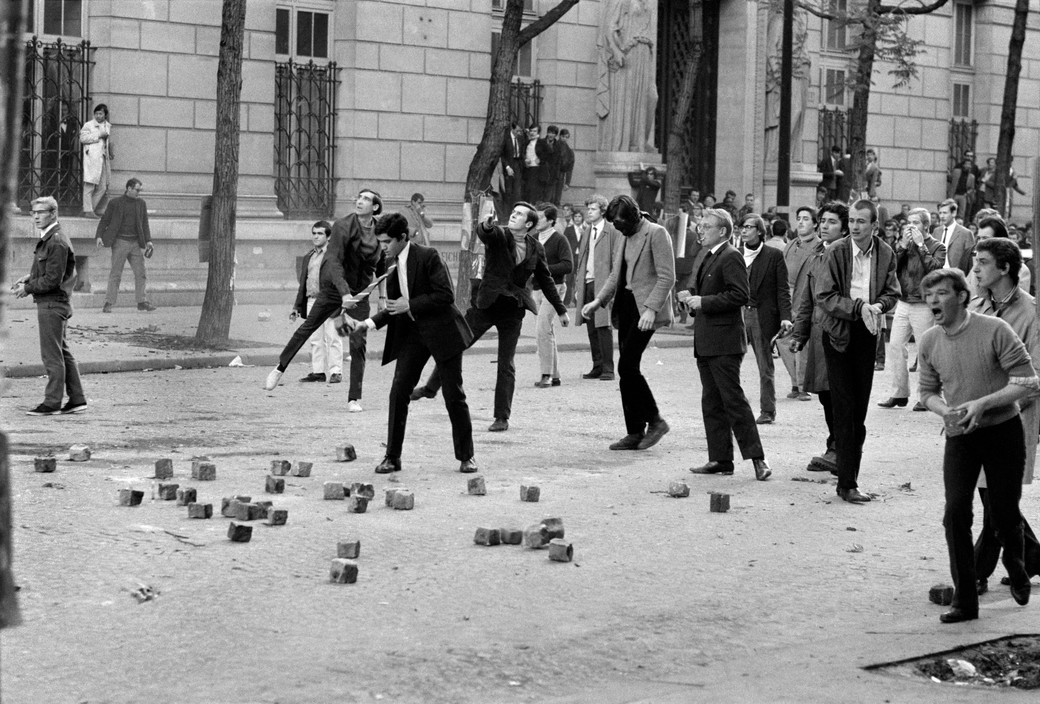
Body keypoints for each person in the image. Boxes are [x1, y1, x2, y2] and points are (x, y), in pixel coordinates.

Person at [918, 268, 1035, 623]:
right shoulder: (929, 340)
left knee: (1003, 512)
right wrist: (945, 411)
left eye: (940, 293)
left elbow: (1028, 382)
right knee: (955, 514)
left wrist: (983, 404)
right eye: (929, 295)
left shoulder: (995, 330)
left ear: (962, 296)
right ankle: (965, 601)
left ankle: (1016, 563)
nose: (933, 301)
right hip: (960, 435)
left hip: (1003, 430)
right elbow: (926, 391)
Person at [411, 201, 570, 432]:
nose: (513, 216)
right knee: (455, 343)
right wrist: (486, 224)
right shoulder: (499, 235)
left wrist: (562, 309)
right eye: (512, 212)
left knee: (506, 364)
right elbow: (486, 233)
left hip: (513, 310)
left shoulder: (536, 248)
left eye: (519, 214)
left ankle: (502, 417)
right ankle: (430, 388)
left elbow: (545, 279)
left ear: (529, 223)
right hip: (486, 305)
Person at [343, 213, 477, 475]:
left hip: (443, 332)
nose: (383, 248)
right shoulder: (390, 263)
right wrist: (367, 324)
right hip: (413, 335)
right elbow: (393, 307)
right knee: (398, 392)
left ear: (402, 238)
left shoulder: (428, 256)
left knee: (454, 395)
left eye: (387, 242)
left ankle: (466, 457)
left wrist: (411, 304)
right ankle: (392, 457)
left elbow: (445, 295)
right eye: (380, 242)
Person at [264, 189, 383, 414]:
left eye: (366, 199)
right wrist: (344, 293)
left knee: (358, 343)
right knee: (308, 328)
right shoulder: (342, 225)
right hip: (333, 289)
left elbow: (382, 264)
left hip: (360, 293)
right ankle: (280, 368)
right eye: (358, 197)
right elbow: (334, 261)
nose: (359, 201)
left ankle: (354, 398)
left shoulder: (380, 230)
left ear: (375, 207)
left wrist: (383, 297)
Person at [968, 237, 1040, 595]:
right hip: (976, 418)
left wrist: (992, 404)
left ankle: (972, 576)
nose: (976, 268)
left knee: (995, 501)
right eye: (975, 261)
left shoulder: (1031, 314)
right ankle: (1034, 557)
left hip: (1011, 419)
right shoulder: (979, 305)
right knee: (996, 500)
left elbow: (1033, 379)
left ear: (1005, 268)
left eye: (982, 262)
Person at [816, 199, 900, 503]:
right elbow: (824, 295)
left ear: (874, 225)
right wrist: (858, 308)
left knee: (859, 410)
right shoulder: (836, 251)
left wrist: (878, 306)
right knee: (844, 406)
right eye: (851, 220)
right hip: (838, 333)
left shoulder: (886, 253)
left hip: (868, 333)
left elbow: (893, 292)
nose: (854, 226)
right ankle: (847, 483)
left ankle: (849, 475)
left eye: (861, 221)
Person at [683, 208, 772, 480]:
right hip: (707, 340)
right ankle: (721, 459)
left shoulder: (731, 256)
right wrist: (692, 298)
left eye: (706, 226)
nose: (701, 230)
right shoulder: (709, 256)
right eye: (700, 226)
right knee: (711, 402)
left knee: (734, 402)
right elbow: (708, 294)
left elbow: (739, 295)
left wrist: (704, 302)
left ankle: (758, 459)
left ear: (722, 231)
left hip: (725, 343)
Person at [581, 195, 673, 451]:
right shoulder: (622, 234)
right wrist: (598, 301)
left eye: (621, 225)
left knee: (627, 365)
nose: (619, 229)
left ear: (634, 217)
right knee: (626, 370)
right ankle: (634, 431)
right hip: (626, 306)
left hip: (646, 309)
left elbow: (667, 277)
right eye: (615, 226)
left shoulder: (656, 233)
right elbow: (615, 274)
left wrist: (652, 310)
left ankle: (655, 420)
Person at [790, 201, 850, 474]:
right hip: (817, 331)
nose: (825, 226)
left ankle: (841, 450)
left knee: (839, 393)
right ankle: (834, 446)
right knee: (825, 394)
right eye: (823, 221)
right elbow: (806, 298)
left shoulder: (847, 255)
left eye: (832, 222)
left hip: (838, 333)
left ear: (844, 227)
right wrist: (800, 333)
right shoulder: (817, 254)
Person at [13, 196, 87, 415]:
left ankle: (52, 403)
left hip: (52, 304)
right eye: (33, 212)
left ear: (53, 213)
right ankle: (77, 399)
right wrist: (29, 277)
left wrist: (27, 288)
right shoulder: (53, 237)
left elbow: (52, 280)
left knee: (51, 355)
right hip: (56, 302)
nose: (36, 216)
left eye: (41, 212)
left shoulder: (55, 240)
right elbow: (53, 271)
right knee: (62, 353)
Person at [877, 208, 945, 411]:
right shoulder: (905, 246)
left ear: (926, 226)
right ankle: (899, 393)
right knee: (896, 346)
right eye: (909, 222)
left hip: (924, 303)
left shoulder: (937, 246)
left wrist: (921, 246)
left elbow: (935, 269)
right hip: (904, 301)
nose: (911, 227)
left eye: (915, 223)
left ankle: (927, 395)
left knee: (925, 351)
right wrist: (902, 248)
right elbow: (891, 269)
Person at [737, 214, 791, 424]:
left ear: (759, 231)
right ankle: (732, 408)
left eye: (748, 227)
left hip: (761, 315)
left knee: (765, 364)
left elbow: (782, 290)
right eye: (742, 226)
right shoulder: (735, 254)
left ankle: (768, 410)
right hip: (738, 313)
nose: (743, 230)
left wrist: (785, 318)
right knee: (730, 362)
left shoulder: (774, 255)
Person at [291, 221, 343, 384]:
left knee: (332, 337)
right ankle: (318, 371)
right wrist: (297, 306)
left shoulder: (335, 256)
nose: (316, 236)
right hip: (312, 300)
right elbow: (304, 283)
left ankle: (336, 371)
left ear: (328, 237)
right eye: (314, 233)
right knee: (315, 338)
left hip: (330, 301)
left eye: (320, 233)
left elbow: (342, 281)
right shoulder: (309, 256)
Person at [575, 194, 620, 382]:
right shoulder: (587, 231)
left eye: (593, 209)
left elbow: (617, 261)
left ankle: (608, 368)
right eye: (588, 209)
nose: (589, 212)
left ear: (602, 210)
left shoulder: (612, 231)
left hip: (604, 285)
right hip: (587, 283)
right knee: (591, 327)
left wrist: (612, 289)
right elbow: (582, 259)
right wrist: (579, 285)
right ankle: (597, 365)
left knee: (603, 326)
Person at [95, 178, 156, 313]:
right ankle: (109, 303)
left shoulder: (141, 204)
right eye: (137, 190)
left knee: (141, 273)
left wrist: (148, 240)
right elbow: (105, 220)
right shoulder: (115, 203)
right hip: (120, 242)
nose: (139, 193)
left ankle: (141, 301)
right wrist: (99, 236)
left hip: (135, 243)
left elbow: (145, 223)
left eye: (140, 190)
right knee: (116, 273)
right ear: (129, 188)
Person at [778, 205, 819, 402]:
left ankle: (804, 386)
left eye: (806, 219)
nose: (801, 222)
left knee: (803, 343)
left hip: (806, 299)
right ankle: (795, 382)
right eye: (799, 218)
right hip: (787, 298)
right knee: (783, 341)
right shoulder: (791, 244)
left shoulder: (820, 247)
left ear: (815, 224)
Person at [532, 203, 573, 388]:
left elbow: (567, 265)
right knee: (547, 330)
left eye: (540, 217)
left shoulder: (559, 239)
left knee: (542, 329)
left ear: (550, 220)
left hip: (555, 288)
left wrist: (543, 269)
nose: (536, 221)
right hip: (537, 290)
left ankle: (546, 374)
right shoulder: (532, 239)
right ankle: (555, 375)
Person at [79, 103, 112, 217]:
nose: (98, 116)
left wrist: (110, 152)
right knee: (89, 184)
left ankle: (88, 208)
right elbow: (83, 138)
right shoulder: (88, 125)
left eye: (100, 114)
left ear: (105, 115)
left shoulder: (107, 126)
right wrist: (98, 134)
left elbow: (107, 142)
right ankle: (88, 210)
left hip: (103, 159)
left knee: (103, 187)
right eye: (96, 113)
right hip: (92, 158)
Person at [933, 198, 975, 274]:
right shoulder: (936, 231)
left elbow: (970, 260)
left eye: (945, 213)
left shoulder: (965, 233)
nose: (942, 216)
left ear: (953, 213)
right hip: (937, 274)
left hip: (956, 275)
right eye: (940, 213)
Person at [562, 206, 583, 307]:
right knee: (569, 280)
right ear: (573, 218)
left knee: (580, 280)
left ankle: (578, 301)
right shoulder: (569, 229)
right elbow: (565, 244)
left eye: (579, 216)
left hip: (581, 258)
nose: (577, 218)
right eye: (576, 216)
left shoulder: (586, 230)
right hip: (571, 257)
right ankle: (566, 302)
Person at [500, 122, 525, 205]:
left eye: (520, 131)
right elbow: (502, 154)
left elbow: (523, 151)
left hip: (518, 163)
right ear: (512, 129)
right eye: (517, 131)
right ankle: (507, 211)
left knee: (518, 190)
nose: (519, 133)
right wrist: (507, 167)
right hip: (509, 164)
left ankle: (516, 208)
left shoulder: (521, 138)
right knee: (508, 190)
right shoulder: (505, 138)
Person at [554, 128, 575, 205]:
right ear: (560, 136)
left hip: (560, 175)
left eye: (566, 137)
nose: (564, 139)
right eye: (563, 136)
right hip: (551, 175)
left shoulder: (569, 152)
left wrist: (567, 183)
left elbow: (570, 168)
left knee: (557, 197)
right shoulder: (554, 146)